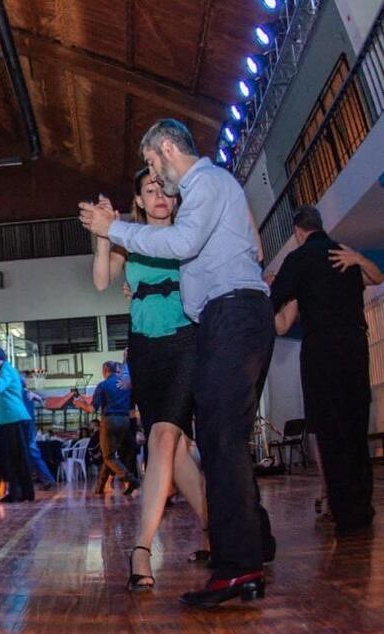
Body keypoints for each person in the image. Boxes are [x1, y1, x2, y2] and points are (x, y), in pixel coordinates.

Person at [80, 118, 275, 608]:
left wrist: (112, 227)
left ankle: (236, 563)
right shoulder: (210, 192)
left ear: (166, 150)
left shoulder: (205, 184)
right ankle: (242, 553)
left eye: (151, 163)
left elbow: (187, 246)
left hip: (227, 317)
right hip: (215, 320)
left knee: (215, 440)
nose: (154, 176)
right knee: (214, 440)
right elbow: (239, 248)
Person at [87, 166, 209, 591]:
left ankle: (141, 548)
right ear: (138, 199)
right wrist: (104, 232)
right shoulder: (130, 240)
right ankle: (216, 530)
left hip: (184, 344)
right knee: (172, 453)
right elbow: (102, 280)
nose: (159, 195)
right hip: (144, 349)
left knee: (161, 440)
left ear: (175, 197)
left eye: (165, 189)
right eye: (150, 190)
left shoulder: (188, 236)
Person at [269, 206, 378, 536]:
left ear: (298, 232)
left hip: (322, 350)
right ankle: (362, 506)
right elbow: (377, 277)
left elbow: (275, 307)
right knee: (356, 423)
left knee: (329, 429)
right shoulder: (344, 253)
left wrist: (271, 285)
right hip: (355, 346)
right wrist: (358, 259)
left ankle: (343, 510)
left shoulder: (298, 260)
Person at [75, 362, 142, 496]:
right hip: (125, 421)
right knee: (109, 455)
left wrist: (79, 404)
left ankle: (131, 479)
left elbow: (91, 408)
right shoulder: (125, 385)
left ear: (105, 370)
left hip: (109, 421)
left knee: (108, 456)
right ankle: (99, 488)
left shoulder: (103, 385)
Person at [0, 347, 35, 503]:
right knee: (17, 457)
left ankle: (19, 492)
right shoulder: (9, 370)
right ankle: (23, 492)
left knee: (15, 458)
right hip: (12, 419)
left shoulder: (6, 370)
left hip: (14, 420)